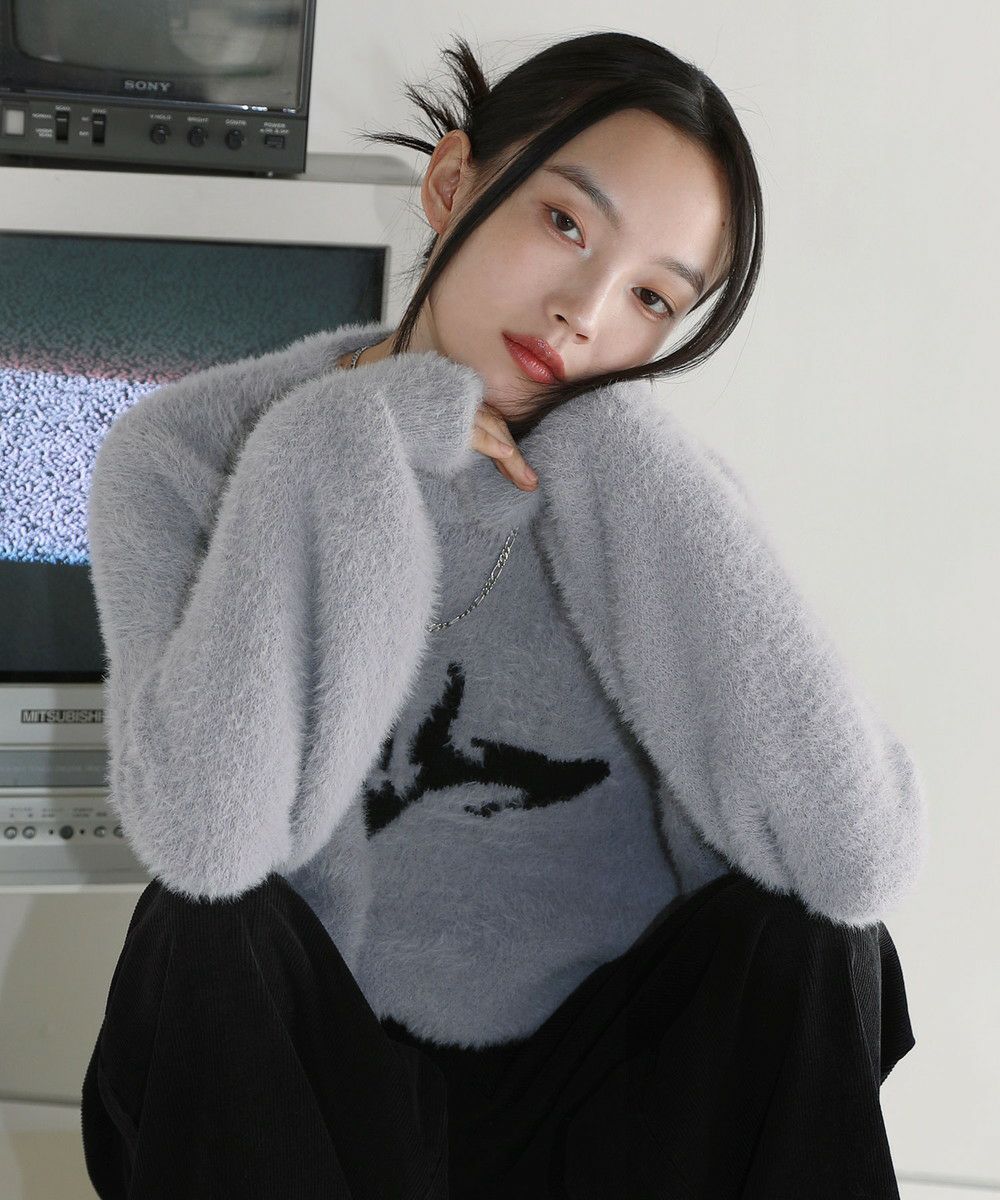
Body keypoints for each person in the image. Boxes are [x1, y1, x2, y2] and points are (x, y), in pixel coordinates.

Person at [80, 30, 926, 1200]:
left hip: (609, 1109)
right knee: (195, 927)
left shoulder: (643, 498)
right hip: (309, 1101)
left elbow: (854, 863)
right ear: (452, 184)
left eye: (651, 297)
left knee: (813, 936)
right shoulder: (185, 455)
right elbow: (209, 846)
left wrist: (623, 455)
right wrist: (335, 438)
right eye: (565, 223)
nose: (583, 312)